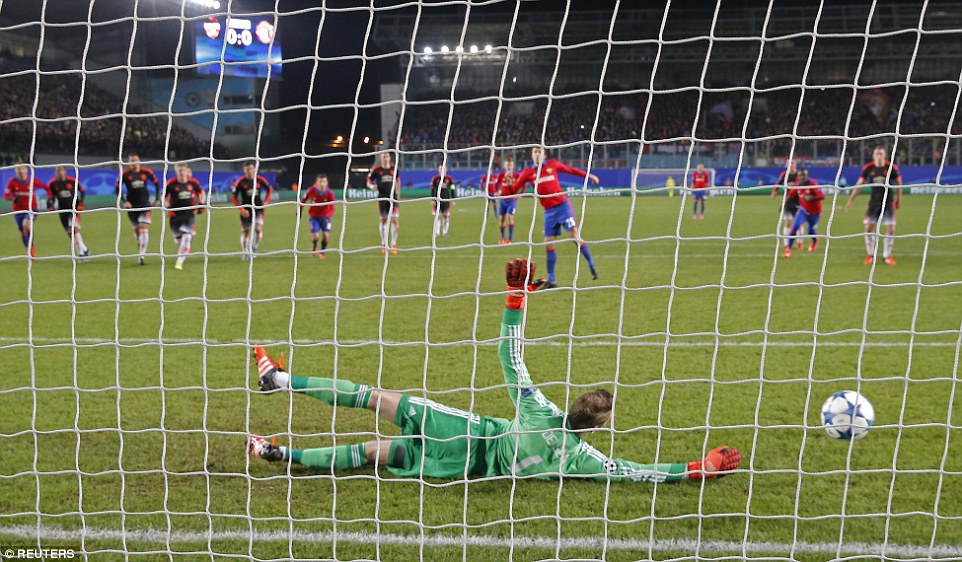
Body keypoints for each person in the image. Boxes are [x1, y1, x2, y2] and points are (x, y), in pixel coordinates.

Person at [249, 257, 741, 483]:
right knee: (369, 454)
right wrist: (697, 468)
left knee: (373, 397)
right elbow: (635, 472)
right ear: (599, 427)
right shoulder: (582, 459)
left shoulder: (538, 408)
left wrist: (515, 300)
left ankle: (280, 381)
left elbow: (510, 357)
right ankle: (278, 452)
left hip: (465, 430)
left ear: (574, 403)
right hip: (462, 468)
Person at [510, 147, 599, 288]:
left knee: (574, 236)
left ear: (544, 155)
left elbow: (571, 170)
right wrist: (511, 184)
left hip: (563, 206)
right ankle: (552, 279)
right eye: (535, 152)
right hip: (548, 212)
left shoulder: (552, 164)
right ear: (532, 155)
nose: (537, 154)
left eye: (539, 152)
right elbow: (514, 188)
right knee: (548, 243)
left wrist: (590, 176)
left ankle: (591, 264)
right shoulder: (528, 172)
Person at [845, 146, 903, 266]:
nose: (879, 156)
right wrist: (850, 200)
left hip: (888, 202)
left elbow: (899, 182)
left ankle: (887, 256)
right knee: (868, 229)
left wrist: (899, 199)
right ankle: (870, 254)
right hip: (874, 203)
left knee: (891, 229)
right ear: (873, 155)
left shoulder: (891, 167)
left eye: (881, 153)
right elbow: (859, 185)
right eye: (877, 153)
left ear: (885, 155)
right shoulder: (868, 168)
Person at [116, 154, 161, 265]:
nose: (134, 163)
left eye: (136, 160)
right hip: (132, 207)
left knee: (144, 229)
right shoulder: (124, 174)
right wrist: (124, 201)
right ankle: (140, 242)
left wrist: (157, 199)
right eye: (131, 161)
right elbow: (117, 188)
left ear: (139, 161)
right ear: (128, 162)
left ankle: (141, 256)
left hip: (145, 205)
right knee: (138, 231)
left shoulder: (147, 171)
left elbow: (156, 184)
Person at [3, 163, 51, 258]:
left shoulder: (32, 180)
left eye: (22, 168)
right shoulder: (12, 182)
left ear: (26, 170)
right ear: (15, 171)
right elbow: (6, 195)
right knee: (22, 231)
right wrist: (13, 198)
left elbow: (46, 188)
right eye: (18, 169)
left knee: (26, 225)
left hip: (31, 209)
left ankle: (31, 248)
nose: (20, 171)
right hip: (18, 211)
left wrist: (50, 198)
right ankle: (29, 248)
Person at [163, 163, 205, 270]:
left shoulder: (193, 182)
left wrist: (201, 203)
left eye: (183, 170)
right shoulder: (171, 184)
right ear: (176, 172)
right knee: (179, 239)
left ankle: (179, 263)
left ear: (187, 171)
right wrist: (168, 208)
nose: (182, 172)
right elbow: (163, 197)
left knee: (187, 236)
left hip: (189, 214)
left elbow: (201, 192)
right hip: (175, 215)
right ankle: (182, 248)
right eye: (179, 170)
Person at [231, 161, 274, 260]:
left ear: (254, 169)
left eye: (251, 169)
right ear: (244, 170)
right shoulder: (240, 182)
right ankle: (245, 252)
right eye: (247, 169)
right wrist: (241, 209)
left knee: (258, 230)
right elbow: (233, 197)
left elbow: (270, 189)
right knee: (246, 232)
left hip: (258, 209)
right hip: (246, 211)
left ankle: (254, 247)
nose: (249, 171)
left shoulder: (260, 180)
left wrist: (266, 201)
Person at [48, 165, 90, 258]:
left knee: (73, 228)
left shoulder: (72, 181)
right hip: (62, 210)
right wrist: (51, 204)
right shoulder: (52, 184)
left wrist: (81, 203)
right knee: (70, 233)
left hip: (74, 209)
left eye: (61, 170)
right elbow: (51, 197)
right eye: (58, 171)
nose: (60, 172)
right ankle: (85, 250)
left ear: (65, 171)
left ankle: (81, 253)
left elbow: (82, 191)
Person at [782, 169, 825, 258]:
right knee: (794, 227)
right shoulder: (797, 185)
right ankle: (788, 250)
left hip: (815, 212)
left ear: (807, 176)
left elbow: (822, 196)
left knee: (810, 231)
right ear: (798, 177)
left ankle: (814, 241)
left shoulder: (813, 184)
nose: (803, 177)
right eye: (801, 175)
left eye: (804, 175)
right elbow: (790, 194)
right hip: (803, 210)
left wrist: (811, 198)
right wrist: (785, 206)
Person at [367, 151, 400, 255]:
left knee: (395, 221)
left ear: (389, 158)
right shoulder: (377, 170)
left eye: (387, 156)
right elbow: (368, 181)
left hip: (393, 198)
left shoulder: (394, 168)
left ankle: (393, 244)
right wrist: (371, 186)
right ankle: (383, 244)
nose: (385, 158)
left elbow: (398, 181)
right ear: (381, 158)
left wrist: (398, 195)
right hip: (382, 199)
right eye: (384, 157)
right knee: (383, 221)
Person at [299, 174, 335, 259]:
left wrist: (328, 217)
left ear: (326, 183)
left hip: (325, 217)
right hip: (314, 217)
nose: (322, 184)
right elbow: (303, 200)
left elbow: (332, 207)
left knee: (326, 236)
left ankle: (322, 252)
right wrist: (300, 210)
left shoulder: (330, 193)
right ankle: (315, 245)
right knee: (315, 236)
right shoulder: (311, 190)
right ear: (317, 183)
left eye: (324, 182)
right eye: (320, 182)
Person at [772, 159, 801, 251]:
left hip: (799, 201)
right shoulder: (784, 174)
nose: (790, 165)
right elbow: (778, 183)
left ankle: (799, 242)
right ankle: (786, 245)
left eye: (792, 163)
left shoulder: (799, 174)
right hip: (788, 202)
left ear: (795, 164)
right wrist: (774, 191)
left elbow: (800, 185)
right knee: (788, 222)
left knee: (798, 223)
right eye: (789, 163)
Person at [498, 155, 519, 244]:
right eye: (507, 165)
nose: (509, 167)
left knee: (510, 217)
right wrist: (496, 192)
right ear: (504, 166)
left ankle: (510, 238)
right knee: (502, 219)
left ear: (513, 165)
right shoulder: (501, 175)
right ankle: (502, 238)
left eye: (510, 165)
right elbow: (496, 184)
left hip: (512, 200)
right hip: (502, 200)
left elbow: (523, 185)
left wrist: (521, 194)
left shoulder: (516, 175)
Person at [430, 164, 455, 237]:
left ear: (446, 170)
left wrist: (453, 200)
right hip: (438, 200)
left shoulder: (450, 179)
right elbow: (432, 189)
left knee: (446, 216)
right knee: (437, 216)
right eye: (440, 169)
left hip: (446, 200)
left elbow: (452, 189)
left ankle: (445, 232)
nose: (442, 171)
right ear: (438, 170)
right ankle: (437, 232)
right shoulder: (435, 179)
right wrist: (433, 200)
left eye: (443, 169)